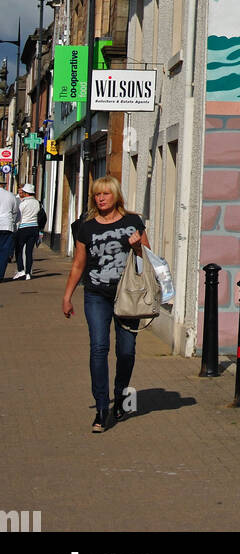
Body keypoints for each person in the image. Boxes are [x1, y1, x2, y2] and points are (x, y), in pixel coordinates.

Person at [62, 176, 150, 432]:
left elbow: (148, 259)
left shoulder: (133, 222)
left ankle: (121, 395)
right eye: (97, 195)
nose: (101, 199)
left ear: (116, 196)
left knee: (126, 350)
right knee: (99, 347)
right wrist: (67, 296)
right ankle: (101, 407)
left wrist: (137, 248)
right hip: (96, 294)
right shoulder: (86, 228)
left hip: (128, 295)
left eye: (105, 194)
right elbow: (78, 264)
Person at [13, 181, 41, 280]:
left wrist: (15, 227)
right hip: (34, 228)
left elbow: (18, 217)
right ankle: (28, 273)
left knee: (19, 250)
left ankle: (21, 270)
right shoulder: (37, 202)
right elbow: (39, 215)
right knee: (29, 252)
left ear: (26, 193)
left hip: (24, 228)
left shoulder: (23, 203)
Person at [0, 182, 20, 281]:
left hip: (6, 224)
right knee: (3, 251)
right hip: (6, 226)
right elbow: (16, 212)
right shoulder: (11, 196)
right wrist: (13, 223)